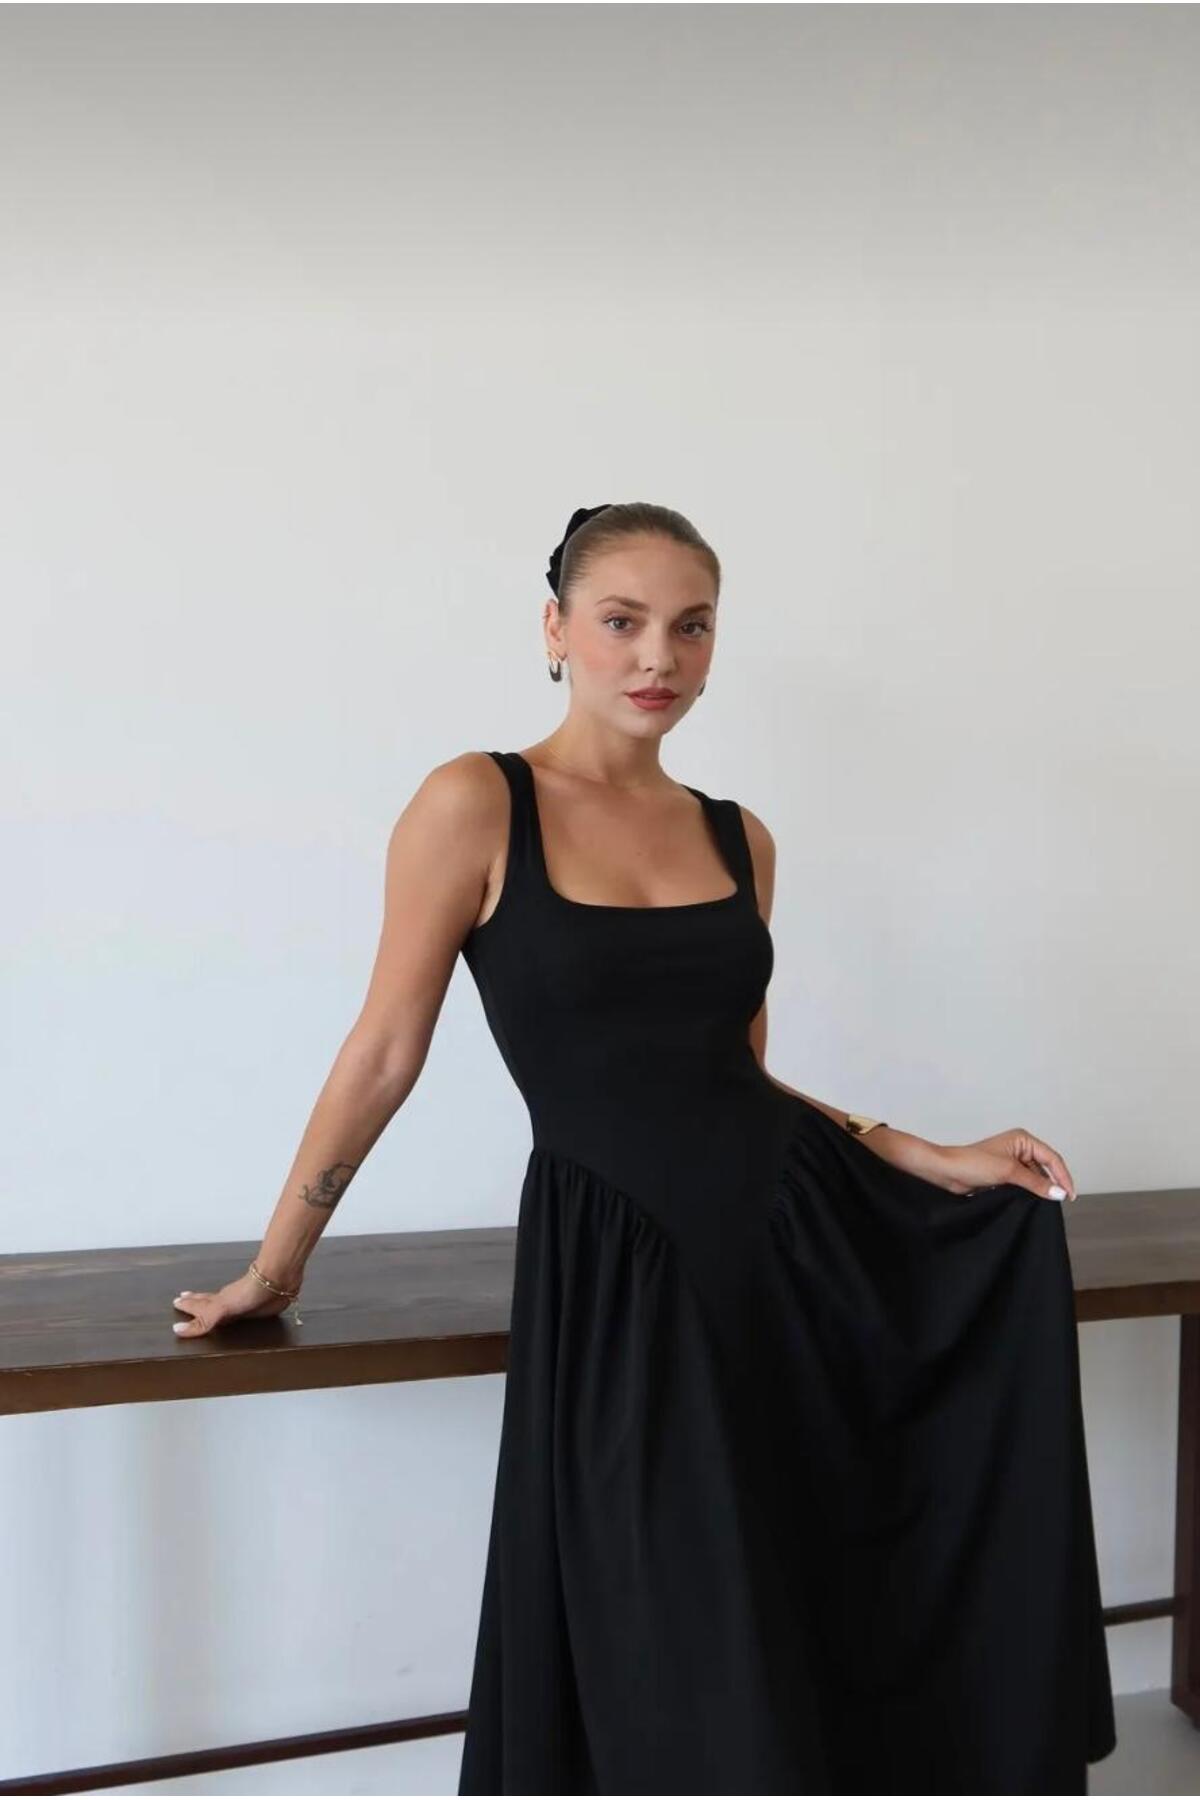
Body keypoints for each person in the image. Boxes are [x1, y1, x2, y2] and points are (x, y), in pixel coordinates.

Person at [170, 501, 1117, 1794]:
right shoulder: (476, 803)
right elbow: (386, 1051)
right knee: (660, 1613)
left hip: (789, 1243)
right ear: (555, 629)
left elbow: (740, 1074)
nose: (658, 656)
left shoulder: (739, 835)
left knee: (811, 1568)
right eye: (621, 621)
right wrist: (277, 1266)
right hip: (621, 1265)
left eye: (692, 626)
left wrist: (926, 1155)